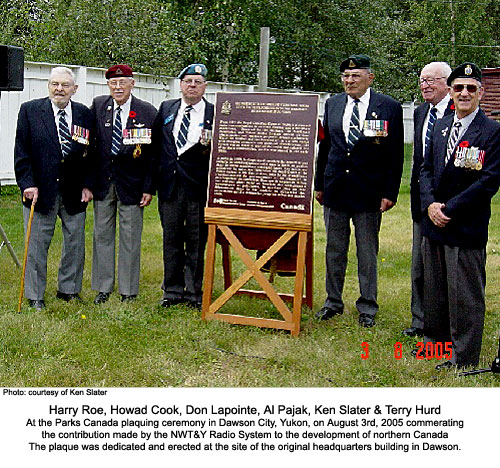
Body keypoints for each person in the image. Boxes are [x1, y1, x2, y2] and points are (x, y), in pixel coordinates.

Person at [420, 62, 500, 369]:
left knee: (465, 296)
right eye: (458, 88)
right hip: (435, 223)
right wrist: (430, 205)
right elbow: (425, 169)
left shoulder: (492, 132)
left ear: (481, 92)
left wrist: (448, 210)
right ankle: (436, 347)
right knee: (435, 292)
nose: (464, 93)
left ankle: (463, 355)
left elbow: (488, 181)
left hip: (465, 225)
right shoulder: (441, 125)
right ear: (450, 92)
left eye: (471, 88)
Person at [315, 54, 404, 327]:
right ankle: (333, 301)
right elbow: (326, 147)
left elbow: (395, 154)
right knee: (334, 249)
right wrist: (319, 184)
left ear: (370, 78)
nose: (349, 80)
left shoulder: (388, 107)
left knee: (367, 252)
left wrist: (389, 192)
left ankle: (367, 305)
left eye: (355, 76)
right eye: (345, 76)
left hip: (369, 192)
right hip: (336, 189)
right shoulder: (332, 104)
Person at [14, 67, 93, 310]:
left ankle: (68, 290)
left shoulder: (84, 114)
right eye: (55, 84)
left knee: (75, 244)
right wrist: (27, 184)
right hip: (40, 190)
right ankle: (35, 295)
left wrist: (88, 185)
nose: (59, 89)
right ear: (48, 86)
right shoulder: (30, 111)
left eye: (65, 85)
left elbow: (93, 153)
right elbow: (22, 152)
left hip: (74, 191)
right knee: (37, 245)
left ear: (74, 89)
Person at [89, 65, 157, 304]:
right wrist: (88, 183)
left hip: (133, 186)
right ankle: (103, 287)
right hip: (103, 183)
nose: (118, 87)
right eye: (113, 83)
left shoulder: (147, 111)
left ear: (132, 83)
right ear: (108, 85)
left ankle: (128, 291)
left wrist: (149, 187)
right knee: (102, 235)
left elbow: (152, 155)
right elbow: (92, 148)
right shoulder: (98, 106)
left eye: (122, 82)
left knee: (130, 238)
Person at [152, 64, 214, 309]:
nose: (192, 85)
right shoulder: (167, 108)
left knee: (197, 240)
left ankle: (194, 293)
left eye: (197, 82)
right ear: (180, 84)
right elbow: (156, 147)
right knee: (171, 239)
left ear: (205, 86)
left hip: (198, 187)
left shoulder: (214, 112)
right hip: (170, 185)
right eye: (188, 81)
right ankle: (172, 290)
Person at [404, 62, 453, 337]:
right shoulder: (421, 112)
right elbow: (419, 162)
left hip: (446, 205)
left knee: (443, 268)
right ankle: (419, 320)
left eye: (431, 80)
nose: (425, 85)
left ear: (447, 83)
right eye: (422, 80)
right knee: (419, 265)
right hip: (421, 201)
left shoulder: (458, 111)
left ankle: (444, 322)